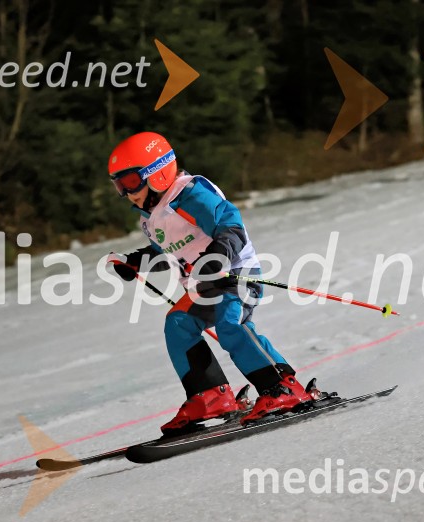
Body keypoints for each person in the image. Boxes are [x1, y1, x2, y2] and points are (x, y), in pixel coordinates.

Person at [106, 131, 313, 434]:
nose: (126, 192)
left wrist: (219, 255)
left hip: (235, 276)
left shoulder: (190, 194)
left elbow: (231, 224)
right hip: (203, 286)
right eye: (119, 185)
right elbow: (169, 251)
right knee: (178, 323)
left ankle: (281, 388)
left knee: (231, 325)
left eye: (130, 182)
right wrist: (137, 262)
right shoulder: (151, 216)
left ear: (157, 173)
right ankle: (210, 397)